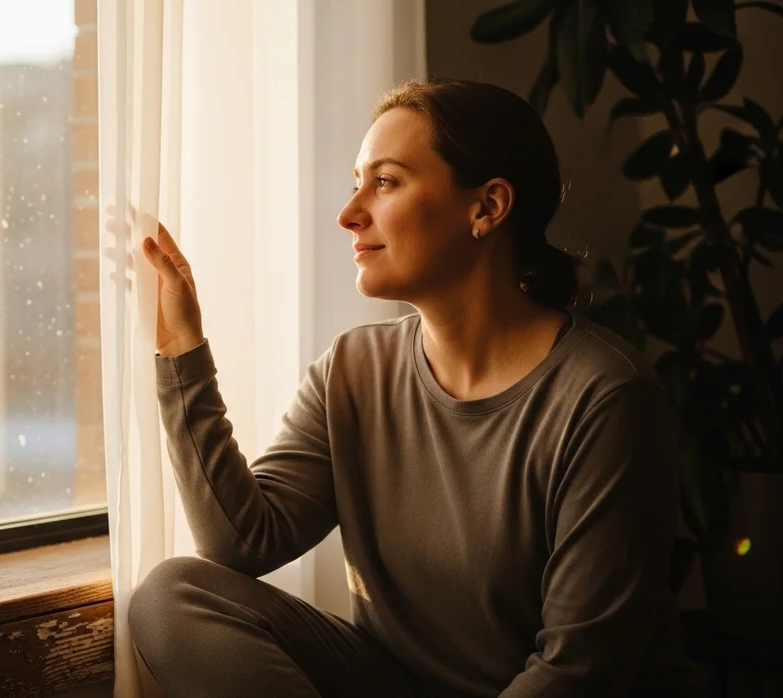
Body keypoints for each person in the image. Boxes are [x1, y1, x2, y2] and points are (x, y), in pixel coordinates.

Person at [126, 78, 704, 697]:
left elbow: (578, 671)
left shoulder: (604, 398)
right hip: (392, 683)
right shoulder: (354, 369)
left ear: (486, 208)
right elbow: (241, 541)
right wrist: (182, 348)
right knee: (172, 596)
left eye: (385, 182)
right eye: (357, 182)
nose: (349, 214)